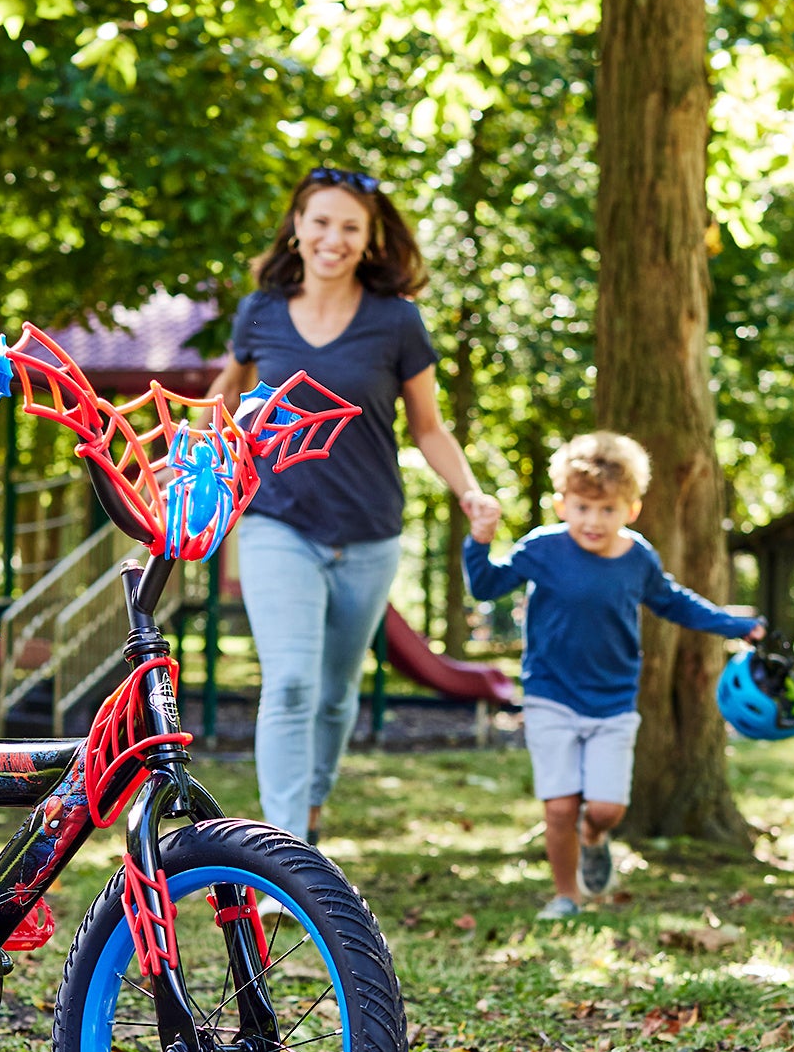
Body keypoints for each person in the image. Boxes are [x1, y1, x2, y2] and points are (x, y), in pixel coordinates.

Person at [209, 167, 500, 841]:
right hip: (276, 521)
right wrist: (189, 458)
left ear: (369, 239)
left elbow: (429, 427)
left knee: (336, 695)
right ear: (297, 227)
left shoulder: (396, 321)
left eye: (349, 227)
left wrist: (470, 491)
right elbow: (224, 399)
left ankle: (311, 806)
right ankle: (284, 852)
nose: (332, 239)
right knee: (290, 685)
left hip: (369, 533)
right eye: (320, 222)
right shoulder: (261, 311)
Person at [464, 433, 764, 919]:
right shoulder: (542, 548)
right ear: (562, 504)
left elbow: (673, 602)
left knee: (606, 810)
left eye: (607, 510)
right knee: (559, 807)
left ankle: (594, 836)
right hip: (550, 694)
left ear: (632, 509)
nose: (593, 521)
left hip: (613, 701)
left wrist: (735, 625)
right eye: (582, 507)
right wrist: (479, 540)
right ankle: (567, 896)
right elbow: (485, 586)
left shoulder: (637, 558)